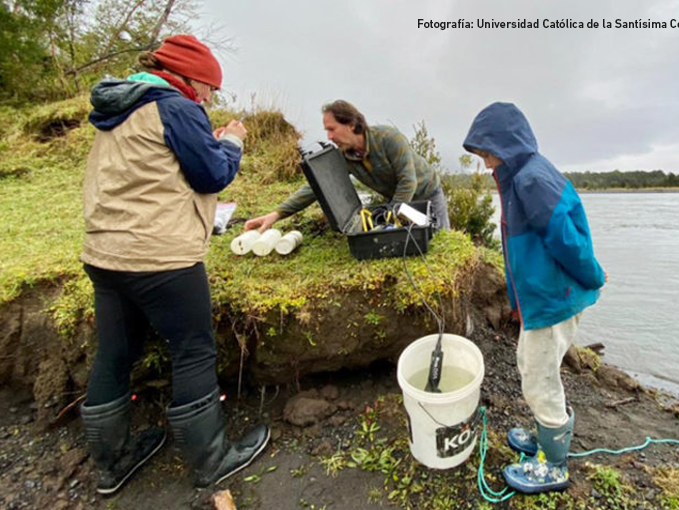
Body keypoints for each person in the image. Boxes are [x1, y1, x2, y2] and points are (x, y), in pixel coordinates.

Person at [79, 34, 269, 495]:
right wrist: (232, 143)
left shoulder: (118, 108)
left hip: (105, 254)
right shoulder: (176, 107)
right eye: (208, 87)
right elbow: (213, 174)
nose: (209, 97)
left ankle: (112, 464)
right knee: (192, 349)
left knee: (115, 354)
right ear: (189, 78)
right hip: (160, 256)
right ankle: (211, 460)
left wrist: (210, 140)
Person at [463, 102, 606, 494]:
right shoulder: (520, 177)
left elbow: (568, 240)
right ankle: (548, 432)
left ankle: (553, 462)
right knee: (531, 365)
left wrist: (593, 275)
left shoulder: (530, 181)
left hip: (554, 297)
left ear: (506, 144)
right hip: (541, 297)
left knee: (540, 378)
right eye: (481, 155)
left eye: (488, 153)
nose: (486, 163)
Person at [243, 100, 451, 232]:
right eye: (326, 131)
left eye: (332, 129)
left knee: (440, 240)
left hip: (427, 194)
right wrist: (276, 214)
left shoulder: (390, 138)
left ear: (351, 124)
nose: (329, 137)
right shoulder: (344, 156)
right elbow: (316, 187)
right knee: (408, 245)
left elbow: (408, 180)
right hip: (396, 200)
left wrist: (391, 214)